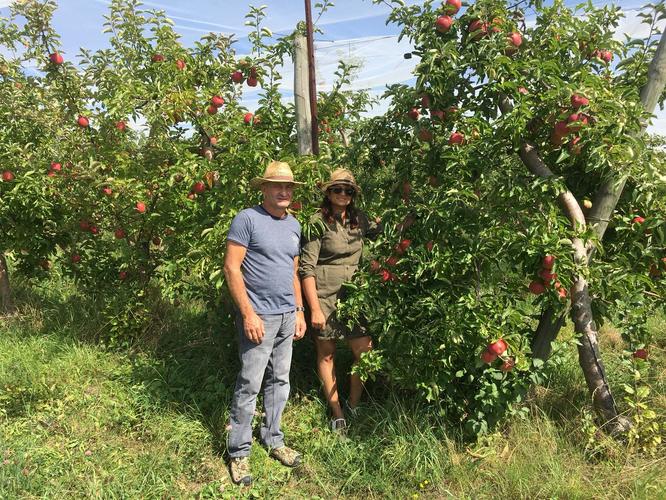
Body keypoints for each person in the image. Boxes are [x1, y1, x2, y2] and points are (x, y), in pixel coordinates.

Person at [223, 160, 307, 486]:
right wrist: (248, 313)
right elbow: (232, 268)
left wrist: (299, 310)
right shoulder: (247, 219)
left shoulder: (293, 225)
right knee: (249, 384)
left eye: (288, 187)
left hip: (287, 315)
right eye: (277, 186)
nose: (284, 191)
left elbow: (293, 271)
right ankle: (239, 453)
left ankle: (273, 440)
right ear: (264, 189)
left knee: (280, 381)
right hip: (260, 317)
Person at [299, 168, 379, 433]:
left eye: (348, 190)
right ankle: (337, 413)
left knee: (363, 352)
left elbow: (389, 234)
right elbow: (306, 268)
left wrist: (411, 216)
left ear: (353, 194)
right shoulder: (317, 222)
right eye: (337, 189)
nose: (343, 194)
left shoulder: (360, 219)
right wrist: (314, 309)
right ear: (329, 193)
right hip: (325, 295)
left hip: (355, 296)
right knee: (327, 354)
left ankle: (354, 404)